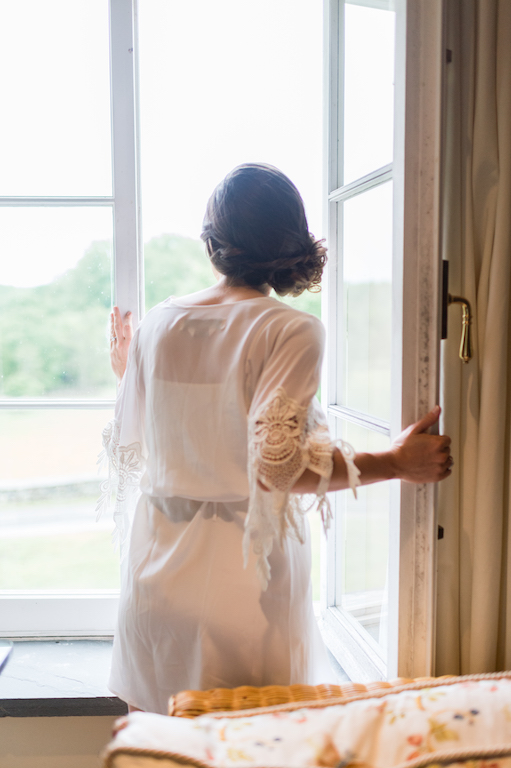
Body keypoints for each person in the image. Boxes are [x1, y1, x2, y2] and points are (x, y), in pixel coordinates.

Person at [99, 163, 452, 715]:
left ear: (212, 241)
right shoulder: (288, 328)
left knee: (161, 753)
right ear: (291, 241)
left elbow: (161, 434)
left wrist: (132, 369)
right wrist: (396, 461)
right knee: (254, 748)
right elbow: (276, 468)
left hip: (156, 587)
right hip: (246, 591)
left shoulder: (157, 324)